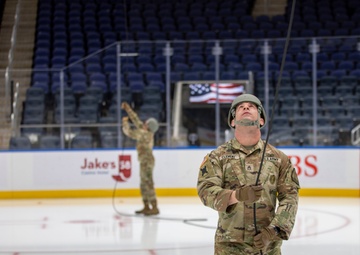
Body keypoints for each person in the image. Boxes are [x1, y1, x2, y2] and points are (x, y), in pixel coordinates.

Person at [197, 94, 300, 255]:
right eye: (240, 107)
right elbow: (205, 191)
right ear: (232, 121)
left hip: (268, 248)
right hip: (229, 248)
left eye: (251, 106)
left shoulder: (279, 159)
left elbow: (290, 198)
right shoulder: (217, 157)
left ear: (261, 120)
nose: (246, 107)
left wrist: (273, 231)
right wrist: (236, 195)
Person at [121, 102, 160, 216]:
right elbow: (135, 119)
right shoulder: (145, 131)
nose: (144, 123)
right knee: (143, 183)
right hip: (144, 161)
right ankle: (146, 206)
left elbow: (129, 133)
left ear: (148, 127)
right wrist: (127, 109)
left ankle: (154, 206)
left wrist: (125, 123)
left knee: (148, 183)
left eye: (146, 123)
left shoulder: (145, 134)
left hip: (147, 162)